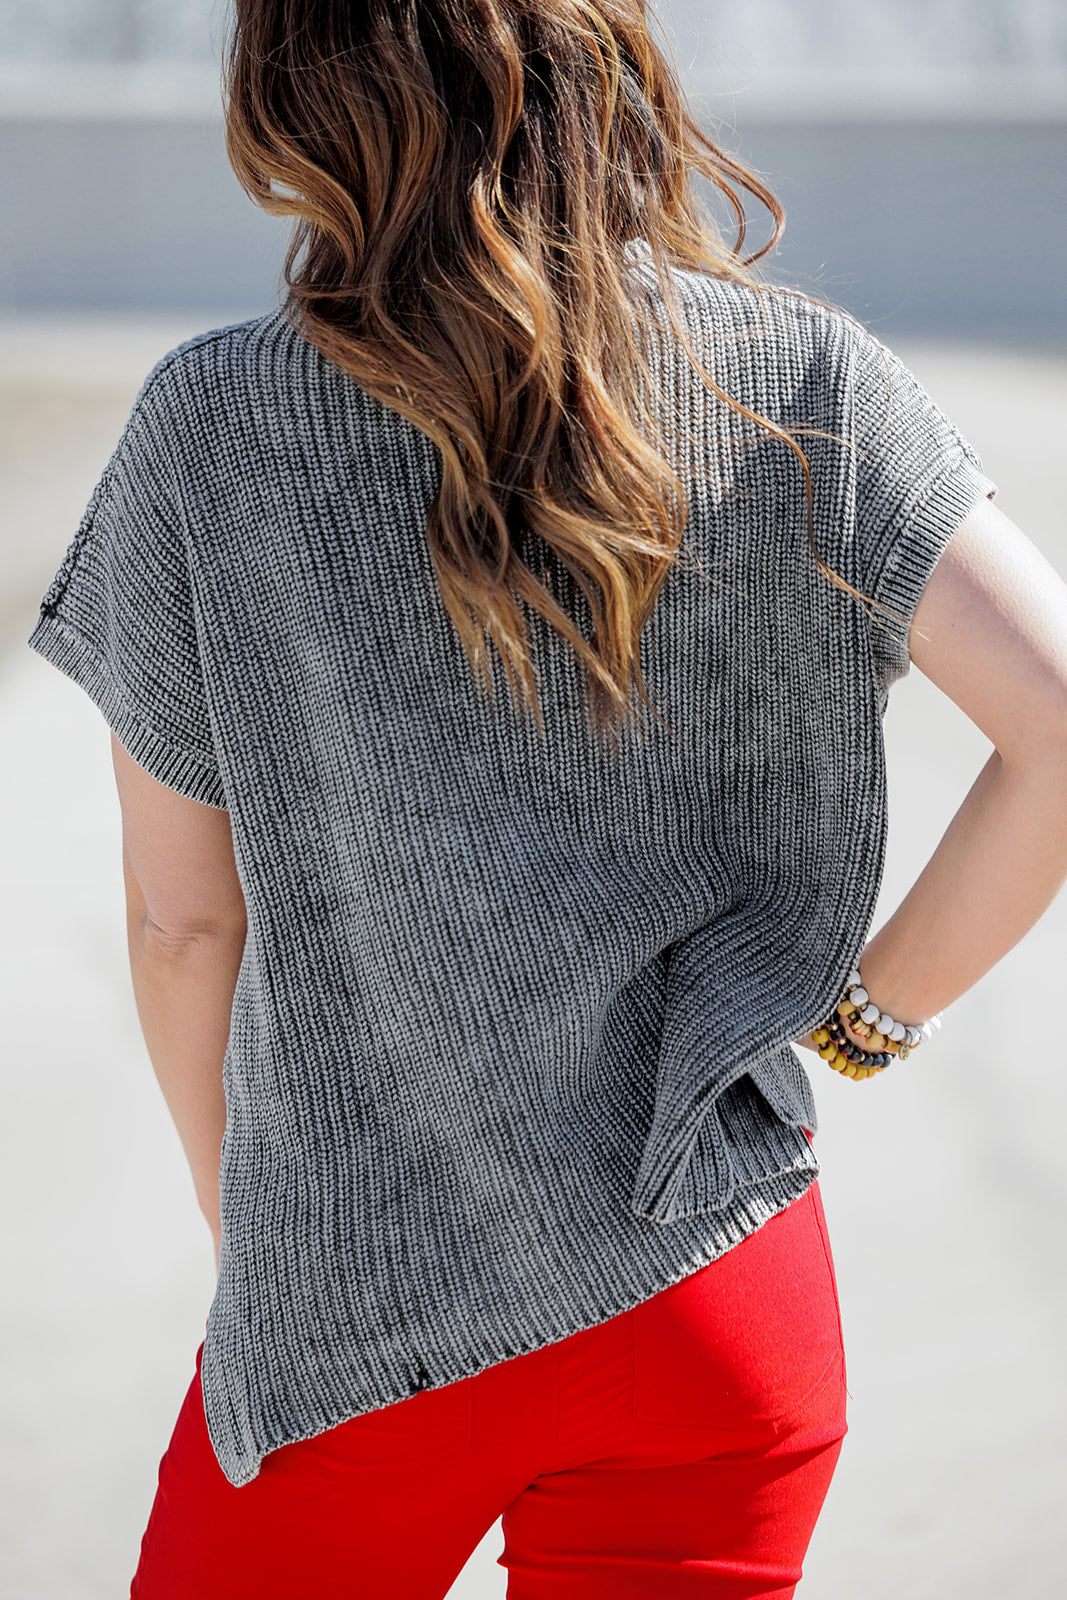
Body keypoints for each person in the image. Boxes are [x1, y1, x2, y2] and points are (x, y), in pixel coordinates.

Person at [27, 2, 1067, 1597]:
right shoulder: (799, 376)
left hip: (363, 1323)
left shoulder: (210, 426)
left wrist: (270, 1246)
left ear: (294, 85)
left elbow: (183, 927)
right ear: (603, 60)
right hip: (715, 1290)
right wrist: (871, 1017)